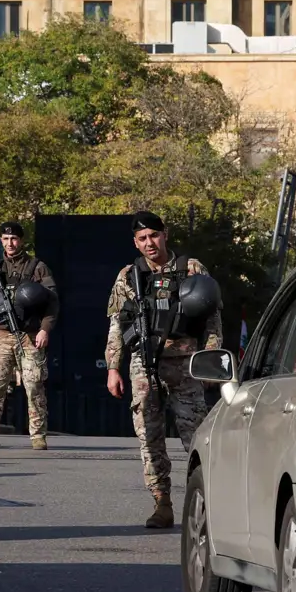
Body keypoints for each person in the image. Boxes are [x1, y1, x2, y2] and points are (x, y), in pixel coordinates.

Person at [105, 210, 223, 529]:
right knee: (149, 436)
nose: (149, 243)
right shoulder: (128, 276)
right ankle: (162, 503)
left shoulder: (191, 268)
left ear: (165, 234)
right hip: (144, 365)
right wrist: (113, 368)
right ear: (135, 242)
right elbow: (117, 325)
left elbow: (211, 319)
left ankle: (207, 504)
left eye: (154, 235)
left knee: (196, 436)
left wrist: (211, 359)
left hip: (186, 364)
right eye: (142, 239)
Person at [0, 221, 58, 451]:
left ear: (21, 240)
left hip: (30, 335)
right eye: (5, 239)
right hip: (2, 336)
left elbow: (52, 301)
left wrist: (45, 329)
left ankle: (38, 435)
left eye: (13, 239)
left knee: (34, 385)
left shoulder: (37, 268)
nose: (10, 243)